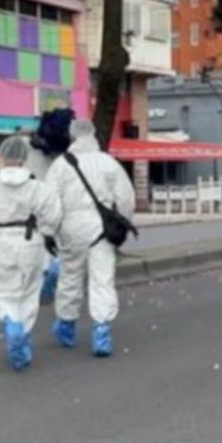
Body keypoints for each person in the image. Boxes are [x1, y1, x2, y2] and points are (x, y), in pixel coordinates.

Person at [44, 119, 136, 358]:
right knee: (102, 279)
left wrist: (49, 231)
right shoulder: (108, 162)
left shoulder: (60, 166)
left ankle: (66, 326)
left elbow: (50, 203)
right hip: (101, 230)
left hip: (70, 230)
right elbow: (126, 197)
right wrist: (122, 220)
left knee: (70, 277)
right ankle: (102, 331)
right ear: (93, 134)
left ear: (72, 136)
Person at [0, 136, 63, 371]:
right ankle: (22, 336)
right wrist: (45, 232)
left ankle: (11, 324)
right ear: (25, 158)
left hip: (2, 241)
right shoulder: (38, 187)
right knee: (28, 292)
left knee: (2, 292)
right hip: (31, 241)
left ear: (1, 158)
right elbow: (52, 217)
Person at [26, 108, 75, 303]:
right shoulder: (63, 157)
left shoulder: (31, 151)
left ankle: (45, 273)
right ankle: (52, 270)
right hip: (53, 209)